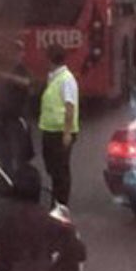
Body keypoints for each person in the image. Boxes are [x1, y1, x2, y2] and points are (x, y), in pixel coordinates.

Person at [38, 43, 79, 205]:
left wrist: (67, 133)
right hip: (50, 130)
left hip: (61, 132)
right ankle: (56, 200)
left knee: (61, 170)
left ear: (50, 60)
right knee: (53, 168)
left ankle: (61, 204)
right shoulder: (54, 77)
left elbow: (70, 107)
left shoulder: (66, 79)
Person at [0, 38, 35, 178]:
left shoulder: (22, 70)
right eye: (13, 52)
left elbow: (27, 82)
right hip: (2, 117)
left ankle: (19, 176)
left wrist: (8, 77)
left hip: (17, 118)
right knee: (4, 151)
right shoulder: (3, 68)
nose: (15, 55)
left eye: (18, 52)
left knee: (18, 150)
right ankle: (6, 174)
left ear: (22, 54)